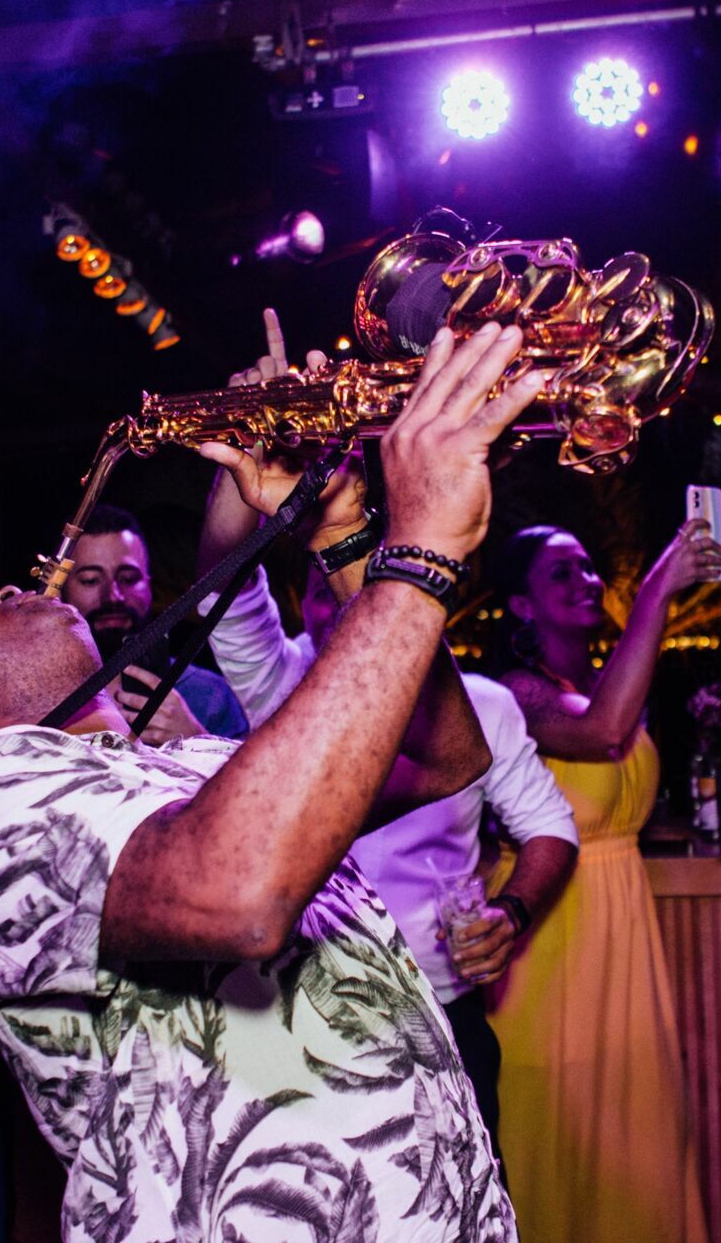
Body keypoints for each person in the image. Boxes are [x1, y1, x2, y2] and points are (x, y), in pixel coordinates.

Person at [0, 323, 540, 1239]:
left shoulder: (180, 765)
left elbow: (441, 758)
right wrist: (415, 552)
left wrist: (342, 531)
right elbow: (241, 896)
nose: (17, 590)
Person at [192, 310, 580, 1156]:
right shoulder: (281, 676)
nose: (353, 601)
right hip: (296, 1017)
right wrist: (243, 451)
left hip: (436, 1014)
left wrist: (512, 914)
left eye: (364, 579)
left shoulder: (482, 703)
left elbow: (549, 827)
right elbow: (220, 574)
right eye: (334, 583)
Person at [485, 518, 721, 1243]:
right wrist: (657, 590)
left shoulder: (602, 680)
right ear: (521, 606)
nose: (586, 581)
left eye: (590, 568)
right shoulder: (515, 694)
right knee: (557, 1142)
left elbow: (613, 719)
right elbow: (603, 734)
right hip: (547, 941)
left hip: (624, 933)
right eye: (561, 572)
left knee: (640, 1142)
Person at [58, 502, 250, 743]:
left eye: (129, 577)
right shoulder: (44, 693)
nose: (114, 595)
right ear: (62, 591)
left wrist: (196, 740)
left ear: (149, 585)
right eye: (91, 580)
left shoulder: (210, 695)